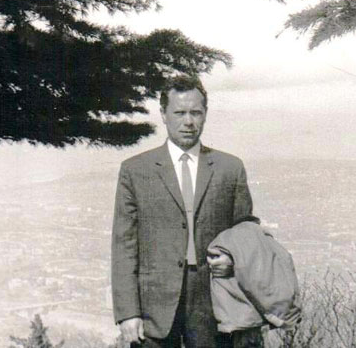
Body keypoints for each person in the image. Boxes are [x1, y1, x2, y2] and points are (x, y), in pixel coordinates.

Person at [111, 75, 259, 348]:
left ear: (205, 114)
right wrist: (128, 312)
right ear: (163, 114)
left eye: (196, 113)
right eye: (179, 113)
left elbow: (246, 232)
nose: (188, 121)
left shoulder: (230, 168)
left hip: (214, 304)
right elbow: (124, 246)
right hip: (153, 309)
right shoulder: (135, 170)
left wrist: (233, 260)